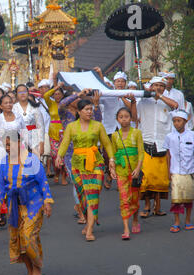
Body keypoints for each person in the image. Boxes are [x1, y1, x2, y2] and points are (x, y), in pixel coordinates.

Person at [0, 133, 53, 275]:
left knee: (27, 236)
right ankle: (30, 272)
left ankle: (37, 269)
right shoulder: (4, 162)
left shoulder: (32, 160)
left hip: (34, 203)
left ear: (19, 143)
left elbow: (43, 182)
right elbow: (1, 185)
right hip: (15, 206)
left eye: (10, 144)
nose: (7, 148)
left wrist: (47, 201)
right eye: (5, 145)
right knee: (20, 241)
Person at [56, 99, 116, 241]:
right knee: (82, 196)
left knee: (92, 196)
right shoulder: (71, 126)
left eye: (91, 109)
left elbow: (107, 144)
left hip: (95, 163)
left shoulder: (98, 126)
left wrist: (112, 160)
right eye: (87, 109)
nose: (90, 112)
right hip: (77, 164)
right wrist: (59, 156)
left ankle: (89, 230)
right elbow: (65, 143)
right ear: (79, 111)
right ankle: (89, 220)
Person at [137, 76, 179, 218]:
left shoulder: (167, 101)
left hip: (162, 144)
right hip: (147, 142)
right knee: (146, 179)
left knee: (160, 180)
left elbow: (175, 105)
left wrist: (160, 96)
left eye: (161, 85)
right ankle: (147, 206)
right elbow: (133, 115)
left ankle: (158, 207)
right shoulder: (143, 101)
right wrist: (131, 100)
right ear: (151, 86)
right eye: (156, 85)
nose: (158, 88)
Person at [164, 109, 194, 233]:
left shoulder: (192, 135)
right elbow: (168, 155)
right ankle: (176, 222)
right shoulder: (169, 136)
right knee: (176, 199)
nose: (176, 123)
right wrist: (168, 170)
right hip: (175, 172)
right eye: (174, 121)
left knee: (188, 198)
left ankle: (188, 220)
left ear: (185, 122)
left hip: (189, 171)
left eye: (179, 121)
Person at [111, 107, 144, 240]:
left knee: (134, 198)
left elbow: (141, 152)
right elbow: (113, 153)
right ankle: (126, 228)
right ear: (117, 119)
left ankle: (135, 219)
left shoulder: (136, 133)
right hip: (121, 170)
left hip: (134, 170)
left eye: (126, 116)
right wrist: (112, 168)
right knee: (124, 199)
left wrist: (138, 168)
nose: (124, 119)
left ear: (131, 118)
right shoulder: (114, 135)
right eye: (121, 117)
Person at [43, 82, 67, 184]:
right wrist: (56, 87)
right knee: (54, 155)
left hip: (65, 131)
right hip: (53, 132)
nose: (57, 96)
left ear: (62, 95)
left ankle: (64, 176)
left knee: (64, 155)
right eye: (55, 94)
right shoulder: (50, 103)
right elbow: (45, 95)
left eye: (59, 94)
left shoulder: (66, 103)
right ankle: (57, 172)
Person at [13, 84, 44, 157]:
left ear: (28, 93)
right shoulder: (13, 108)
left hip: (33, 137)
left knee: (34, 161)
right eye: (20, 92)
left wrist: (41, 143)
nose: (22, 94)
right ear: (16, 94)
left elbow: (40, 127)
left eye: (24, 91)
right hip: (19, 138)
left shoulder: (35, 108)